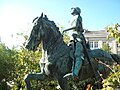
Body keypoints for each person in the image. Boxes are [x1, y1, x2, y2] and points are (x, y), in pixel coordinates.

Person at [63, 7, 86, 78]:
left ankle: (75, 73)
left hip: (78, 38)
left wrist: (65, 30)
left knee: (77, 54)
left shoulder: (78, 17)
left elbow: (75, 26)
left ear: (76, 10)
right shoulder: (70, 19)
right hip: (71, 39)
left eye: (72, 9)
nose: (71, 9)